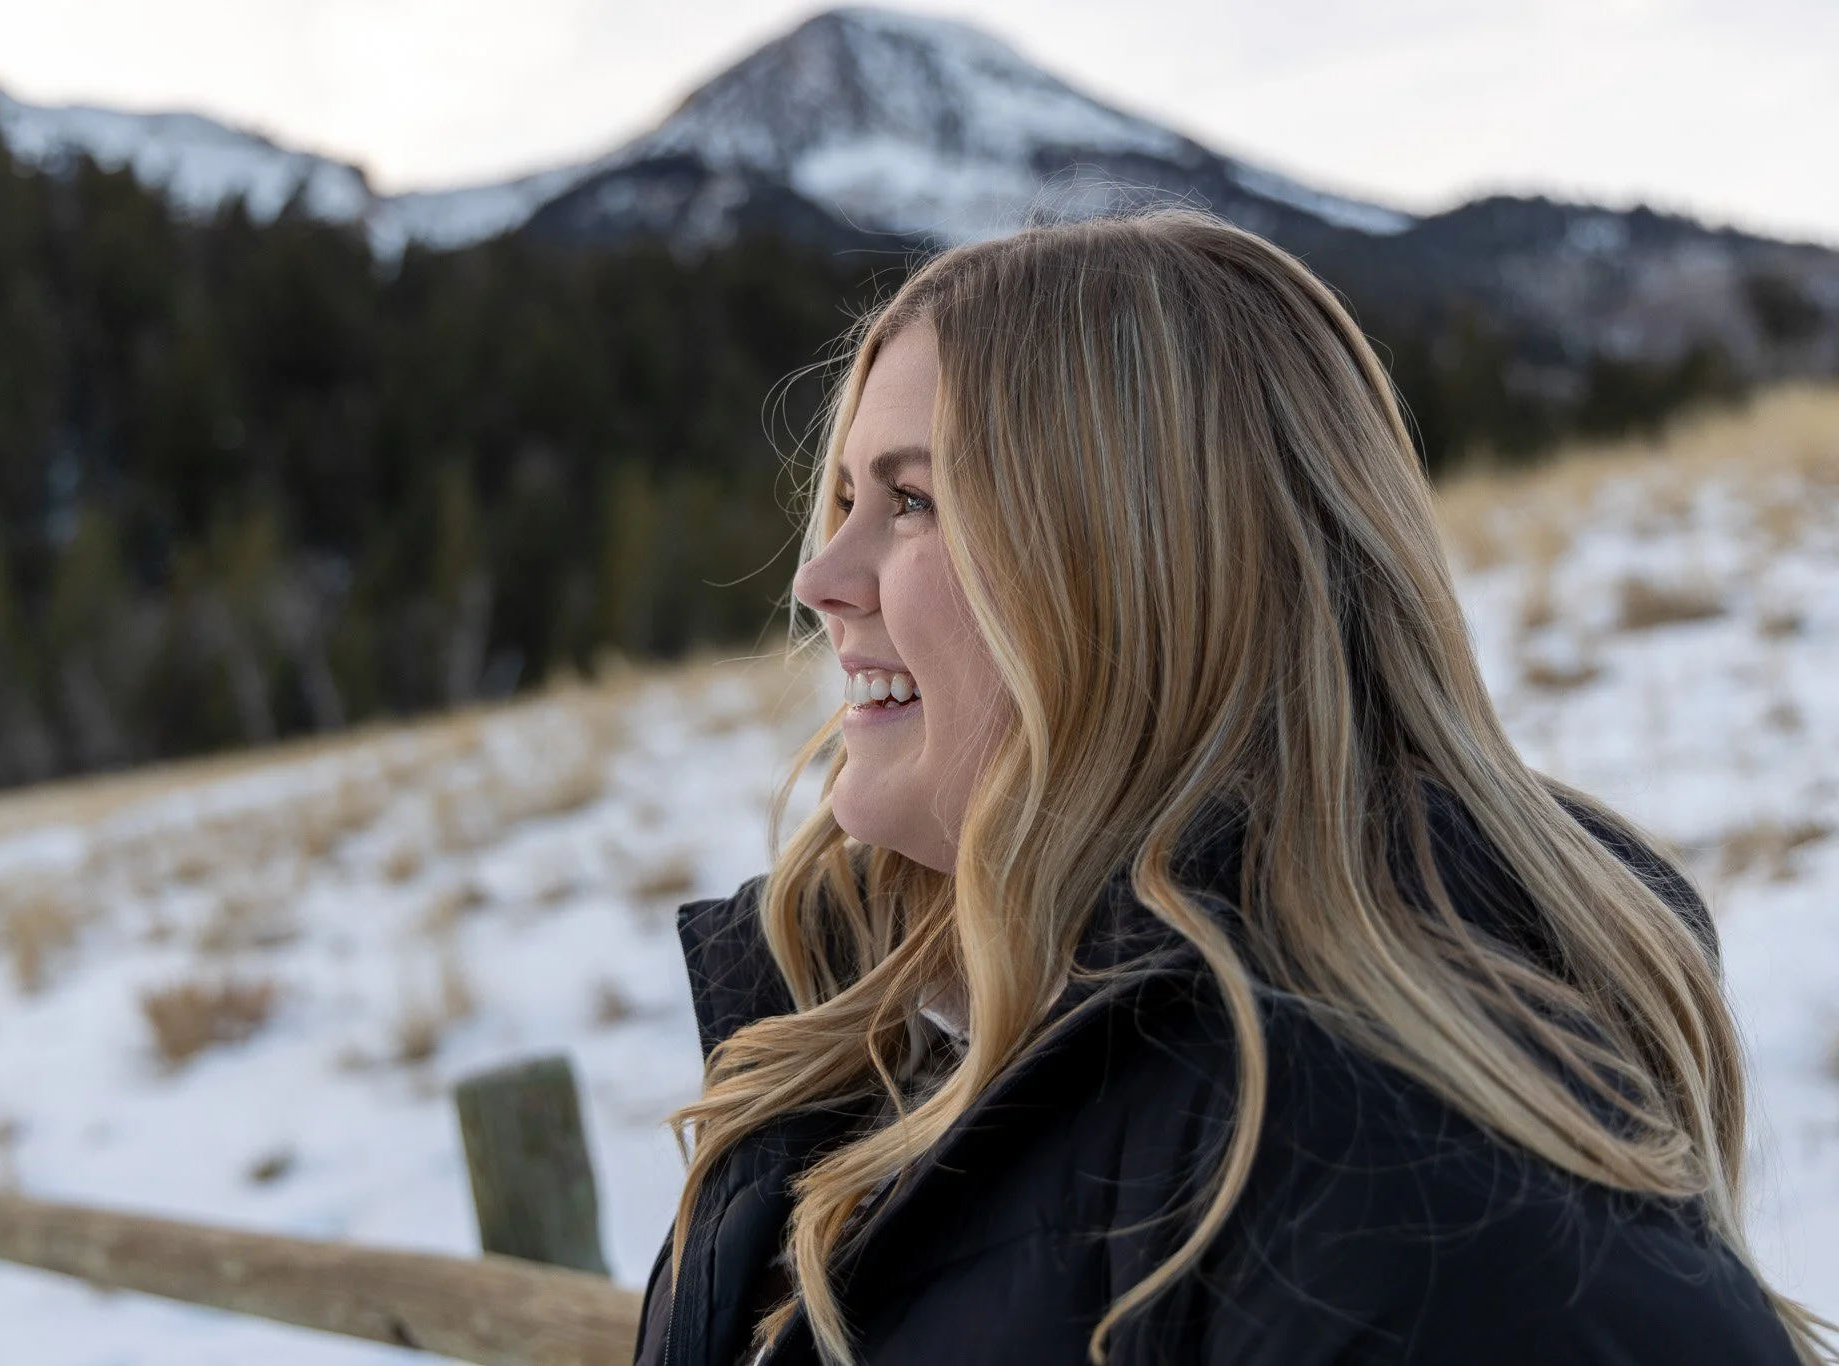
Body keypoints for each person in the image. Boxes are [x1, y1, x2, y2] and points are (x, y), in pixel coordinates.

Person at [632, 211, 1825, 1365]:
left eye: (912, 500)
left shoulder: (1403, 1183)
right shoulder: (870, 1038)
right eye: (843, 498)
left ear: (1143, 573)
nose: (818, 576)